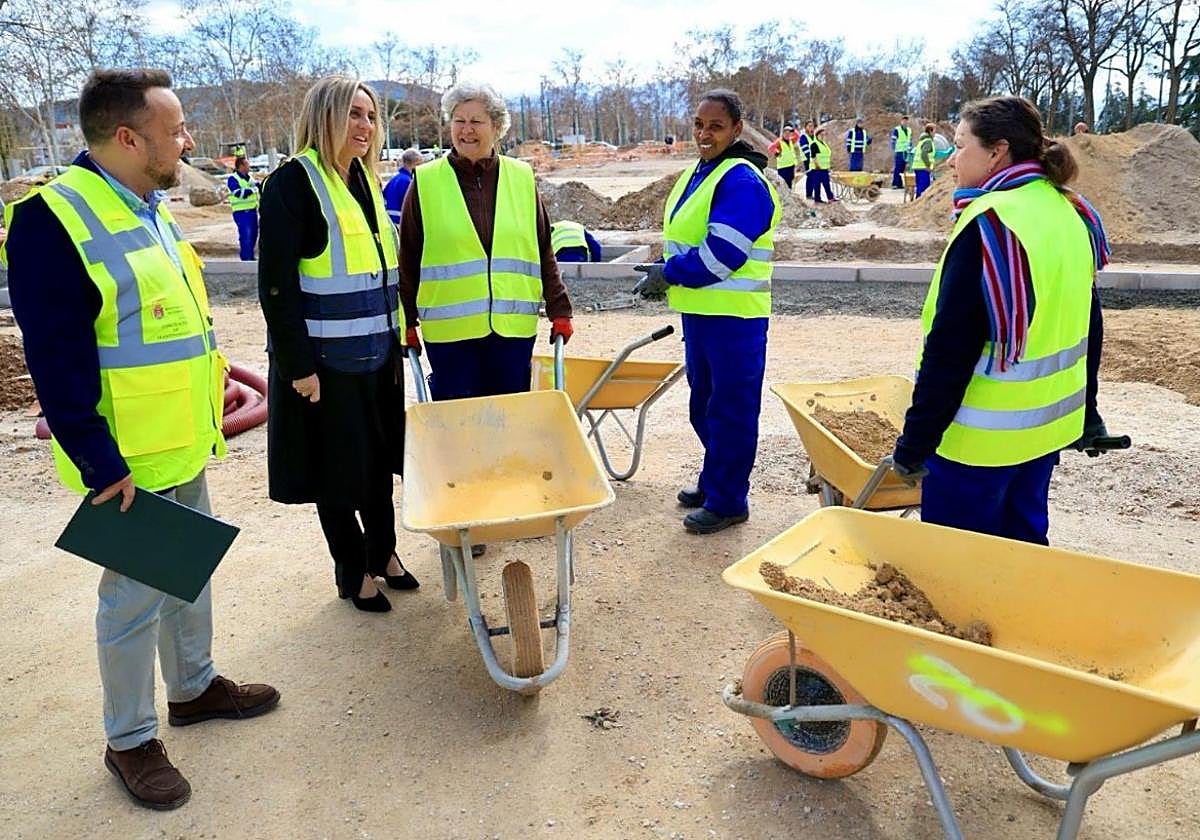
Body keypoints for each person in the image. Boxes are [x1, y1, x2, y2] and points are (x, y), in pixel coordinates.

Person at [0, 68, 279, 811]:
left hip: (181, 437)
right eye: (176, 129)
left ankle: (192, 688)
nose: (187, 140)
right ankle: (129, 740)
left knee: (187, 571)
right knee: (131, 601)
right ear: (127, 138)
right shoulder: (52, 219)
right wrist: (98, 462)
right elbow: (54, 358)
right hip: (125, 458)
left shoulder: (148, 207)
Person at [892, 96, 1111, 546]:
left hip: (979, 444)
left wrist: (914, 445)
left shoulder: (990, 224)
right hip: (1042, 434)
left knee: (957, 570)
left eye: (961, 145)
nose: (953, 159)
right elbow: (1088, 321)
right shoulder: (1069, 210)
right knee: (1021, 552)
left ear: (997, 152)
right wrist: (1087, 411)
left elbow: (950, 350)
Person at [258, 75, 418, 613]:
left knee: (377, 463)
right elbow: (275, 286)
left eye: (371, 117)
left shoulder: (364, 181)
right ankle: (353, 572)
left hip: (376, 355)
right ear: (324, 116)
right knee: (336, 472)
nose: (365, 127)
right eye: (353, 114)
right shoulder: (292, 183)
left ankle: (385, 554)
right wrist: (298, 366)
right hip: (325, 365)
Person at [638, 89, 781, 535]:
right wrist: (671, 272)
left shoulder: (740, 180)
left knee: (731, 409)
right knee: (705, 405)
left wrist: (670, 271)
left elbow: (723, 255)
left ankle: (728, 499)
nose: (704, 133)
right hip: (703, 315)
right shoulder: (703, 173)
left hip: (734, 318)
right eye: (699, 125)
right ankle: (715, 479)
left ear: (737, 130)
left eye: (716, 126)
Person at [398, 82, 573, 402]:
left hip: (512, 333)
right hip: (450, 338)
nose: (466, 130)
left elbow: (543, 248)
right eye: (458, 120)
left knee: (509, 423)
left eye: (476, 121)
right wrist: (405, 321)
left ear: (496, 127)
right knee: (459, 427)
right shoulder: (425, 181)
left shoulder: (521, 178)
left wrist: (560, 308)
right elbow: (408, 257)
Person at [227, 156, 259, 260]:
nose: (249, 167)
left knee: (253, 235)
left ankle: (250, 257)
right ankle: (246, 259)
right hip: (241, 213)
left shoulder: (248, 178)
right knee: (246, 236)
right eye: (247, 164)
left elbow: (258, 185)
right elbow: (238, 193)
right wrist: (253, 190)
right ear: (241, 166)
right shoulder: (233, 179)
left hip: (252, 211)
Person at [383, 148, 421, 226]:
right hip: (401, 222)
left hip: (389, 221)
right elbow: (411, 207)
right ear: (415, 162)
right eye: (419, 163)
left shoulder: (394, 179)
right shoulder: (407, 182)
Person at [806, 126, 836, 203]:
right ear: (817, 135)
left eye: (824, 135)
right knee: (817, 185)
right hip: (817, 169)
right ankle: (817, 199)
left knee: (827, 184)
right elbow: (814, 156)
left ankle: (830, 197)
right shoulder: (814, 144)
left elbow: (826, 156)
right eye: (821, 135)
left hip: (824, 168)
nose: (823, 136)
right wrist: (817, 165)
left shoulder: (824, 144)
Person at [912, 122, 937, 199]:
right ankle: (918, 204)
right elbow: (924, 154)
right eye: (934, 130)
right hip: (923, 168)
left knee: (920, 187)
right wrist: (928, 166)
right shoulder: (928, 141)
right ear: (930, 131)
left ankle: (917, 203)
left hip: (918, 167)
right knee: (923, 188)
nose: (935, 133)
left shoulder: (922, 140)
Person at [770, 124, 798, 189]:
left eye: (789, 133)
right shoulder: (779, 141)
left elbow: (797, 136)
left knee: (790, 182)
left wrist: (793, 130)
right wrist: (776, 152)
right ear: (783, 133)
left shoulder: (791, 140)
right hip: (783, 167)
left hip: (791, 165)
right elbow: (771, 147)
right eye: (786, 133)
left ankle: (789, 195)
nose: (787, 135)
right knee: (783, 183)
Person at [891, 114, 912, 188]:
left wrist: (910, 148)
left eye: (906, 121)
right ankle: (895, 183)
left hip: (906, 152)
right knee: (898, 168)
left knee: (903, 168)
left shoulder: (909, 130)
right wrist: (894, 149)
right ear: (901, 121)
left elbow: (910, 140)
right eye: (904, 121)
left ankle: (900, 184)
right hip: (899, 151)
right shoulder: (897, 130)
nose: (905, 122)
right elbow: (893, 140)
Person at [797, 119, 815, 199]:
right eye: (809, 126)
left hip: (814, 159)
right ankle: (809, 194)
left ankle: (811, 193)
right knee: (810, 176)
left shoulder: (813, 137)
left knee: (814, 176)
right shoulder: (803, 137)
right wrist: (810, 158)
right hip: (808, 159)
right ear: (806, 127)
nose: (811, 128)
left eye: (812, 126)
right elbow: (806, 149)